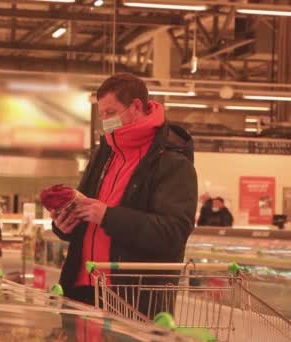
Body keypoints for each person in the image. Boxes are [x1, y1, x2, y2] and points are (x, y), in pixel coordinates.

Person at [52, 73, 197, 317]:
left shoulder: (172, 162)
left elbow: (173, 233)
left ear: (136, 107)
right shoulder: (104, 154)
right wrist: (64, 225)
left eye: (111, 113)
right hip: (82, 292)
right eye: (102, 115)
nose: (105, 121)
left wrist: (109, 216)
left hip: (131, 301)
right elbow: (88, 214)